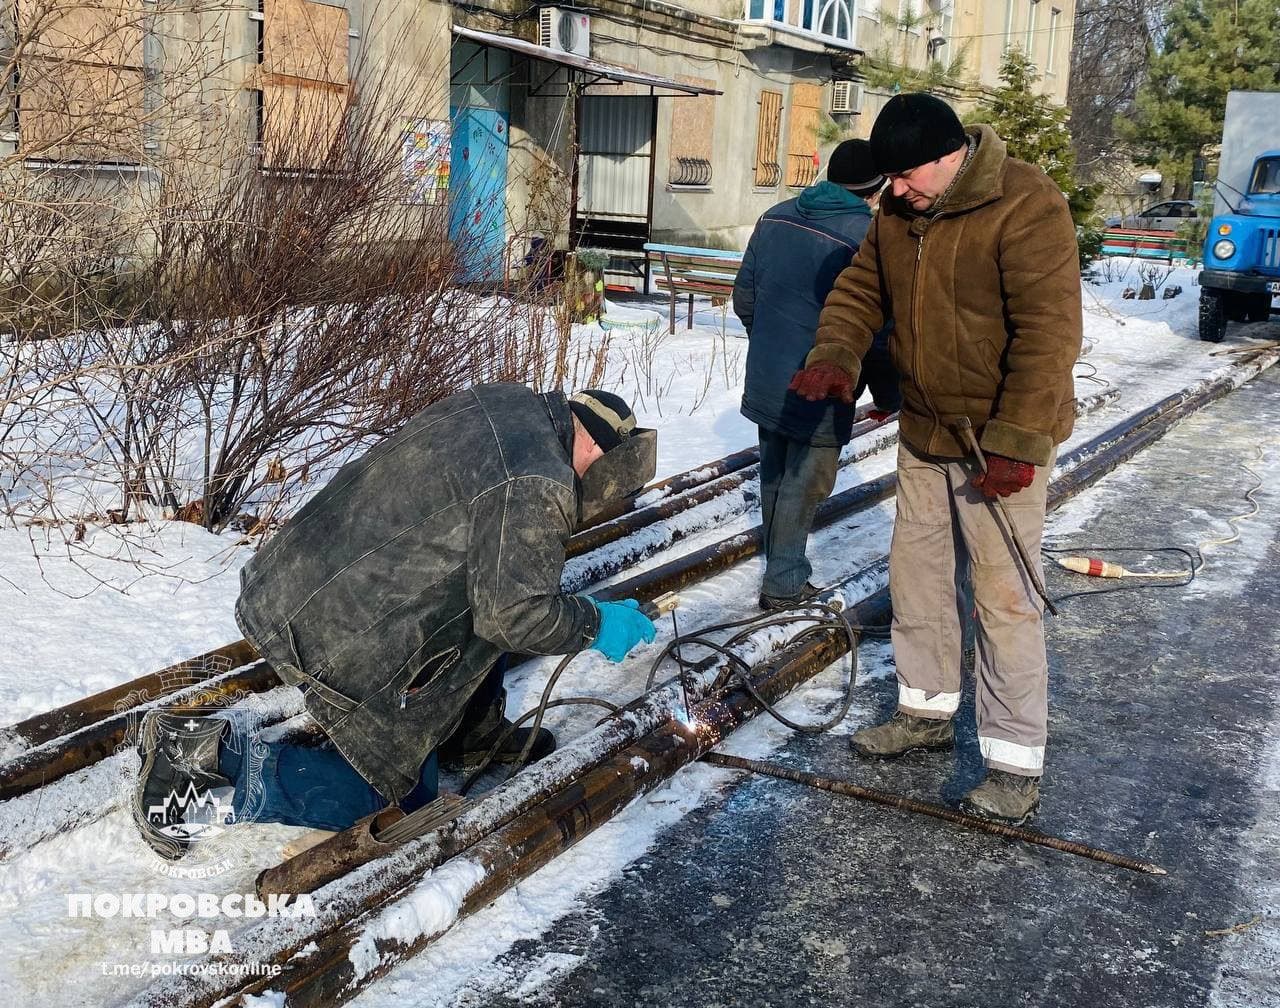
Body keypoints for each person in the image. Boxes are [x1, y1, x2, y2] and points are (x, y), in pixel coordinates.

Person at [132, 384, 659, 860]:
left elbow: (490, 579)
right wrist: (595, 623)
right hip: (345, 629)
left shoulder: (511, 404)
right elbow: (514, 615)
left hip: (299, 576)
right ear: (595, 448)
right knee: (398, 805)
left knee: (493, 583)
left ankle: (471, 735)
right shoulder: (537, 482)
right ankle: (202, 771)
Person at [790, 93, 1082, 823]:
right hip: (926, 430)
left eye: (905, 175)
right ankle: (925, 711)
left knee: (1004, 597)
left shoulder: (1026, 204)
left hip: (999, 443)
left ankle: (1014, 763)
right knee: (916, 579)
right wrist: (835, 353)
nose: (892, 191)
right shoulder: (898, 212)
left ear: (950, 157)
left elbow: (1049, 334)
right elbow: (861, 290)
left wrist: (1018, 441)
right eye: (887, 179)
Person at [733, 138, 900, 611]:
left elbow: (744, 299)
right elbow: (882, 333)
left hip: (769, 374)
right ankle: (783, 582)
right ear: (877, 186)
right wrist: (890, 394)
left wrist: (769, 345)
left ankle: (777, 560)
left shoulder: (776, 215)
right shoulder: (869, 237)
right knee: (807, 481)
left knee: (776, 469)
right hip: (826, 381)